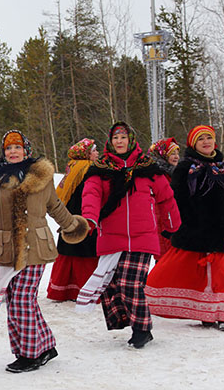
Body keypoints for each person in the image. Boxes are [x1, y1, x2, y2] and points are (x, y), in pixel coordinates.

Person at [0, 131, 89, 373]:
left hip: (36, 245)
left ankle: (30, 353)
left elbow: (55, 206)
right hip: (9, 249)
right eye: (8, 148)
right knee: (16, 300)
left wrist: (71, 226)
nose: (12, 152)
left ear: (26, 149)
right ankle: (44, 345)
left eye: (17, 147)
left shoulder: (41, 175)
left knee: (22, 300)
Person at [77, 122, 180, 349]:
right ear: (110, 142)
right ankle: (129, 320)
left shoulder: (147, 167)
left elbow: (166, 196)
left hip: (143, 235)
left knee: (131, 283)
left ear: (131, 140)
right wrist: (89, 220)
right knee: (113, 285)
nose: (120, 141)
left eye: (123, 137)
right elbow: (91, 195)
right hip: (111, 236)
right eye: (116, 137)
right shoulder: (100, 168)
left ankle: (142, 329)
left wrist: (172, 223)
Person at [146, 125, 224, 331]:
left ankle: (223, 315)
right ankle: (203, 312)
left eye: (209, 138)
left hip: (218, 229)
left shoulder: (221, 166)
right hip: (192, 228)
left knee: (221, 272)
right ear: (193, 144)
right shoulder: (185, 167)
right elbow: (176, 200)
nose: (206, 142)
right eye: (201, 139)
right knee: (187, 271)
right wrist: (179, 226)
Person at [46, 138, 100, 302]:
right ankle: (85, 289)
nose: (97, 154)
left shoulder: (72, 167)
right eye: (95, 150)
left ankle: (63, 290)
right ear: (87, 153)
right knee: (85, 254)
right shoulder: (88, 169)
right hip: (83, 216)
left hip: (69, 217)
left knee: (68, 252)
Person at [148, 137, 181, 261]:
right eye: (172, 153)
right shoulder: (157, 174)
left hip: (175, 222)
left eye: (177, 153)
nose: (176, 156)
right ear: (163, 155)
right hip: (163, 224)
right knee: (165, 260)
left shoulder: (175, 173)